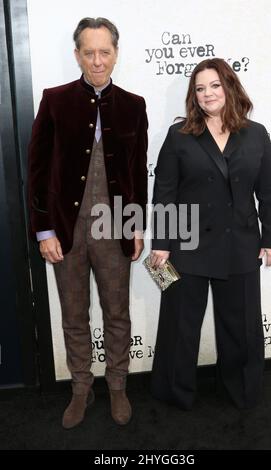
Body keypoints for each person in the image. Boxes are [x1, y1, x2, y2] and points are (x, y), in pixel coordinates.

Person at [28, 17, 148, 428]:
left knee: (118, 312)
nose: (97, 61)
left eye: (105, 52)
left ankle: (117, 385)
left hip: (114, 230)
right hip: (66, 231)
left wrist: (135, 225)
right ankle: (81, 387)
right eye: (89, 52)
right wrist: (43, 231)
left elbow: (136, 174)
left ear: (116, 52)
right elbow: (38, 170)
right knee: (74, 313)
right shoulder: (54, 100)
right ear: (76, 54)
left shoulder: (134, 106)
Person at [150, 58, 271, 410]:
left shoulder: (257, 134)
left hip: (240, 244)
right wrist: (161, 244)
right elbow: (164, 192)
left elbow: (268, 190)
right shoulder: (179, 136)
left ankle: (242, 391)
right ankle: (174, 393)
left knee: (242, 327)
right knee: (180, 327)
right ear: (194, 96)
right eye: (200, 88)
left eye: (214, 85)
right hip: (186, 246)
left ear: (229, 87)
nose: (207, 93)